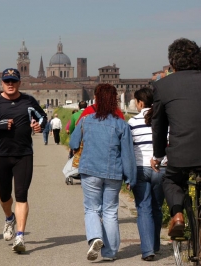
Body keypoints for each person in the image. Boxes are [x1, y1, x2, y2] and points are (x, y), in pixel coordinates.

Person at [0, 68, 47, 253]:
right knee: (5, 195)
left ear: (19, 83)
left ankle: (20, 236)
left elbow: (43, 117)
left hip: (24, 155)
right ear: (2, 83)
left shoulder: (28, 100)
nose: (10, 84)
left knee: (22, 195)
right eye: (7, 81)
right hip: (1, 155)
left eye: (13, 81)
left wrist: (39, 126)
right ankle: (9, 218)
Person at [69, 83, 136, 261]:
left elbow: (74, 143)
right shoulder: (122, 125)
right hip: (113, 172)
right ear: (114, 101)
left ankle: (95, 237)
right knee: (110, 211)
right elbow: (128, 155)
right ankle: (110, 253)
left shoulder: (86, 120)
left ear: (96, 99)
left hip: (90, 170)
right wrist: (130, 177)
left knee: (92, 208)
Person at [151, 38, 201, 237]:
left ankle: (178, 215)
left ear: (172, 62)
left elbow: (159, 125)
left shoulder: (163, 86)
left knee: (171, 180)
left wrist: (158, 154)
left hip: (181, 154)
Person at [128, 87, 166, 261]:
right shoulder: (164, 119)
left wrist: (128, 175)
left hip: (140, 168)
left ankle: (148, 250)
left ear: (140, 102)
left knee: (143, 208)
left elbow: (128, 150)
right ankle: (156, 245)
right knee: (156, 207)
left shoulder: (132, 122)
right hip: (161, 168)